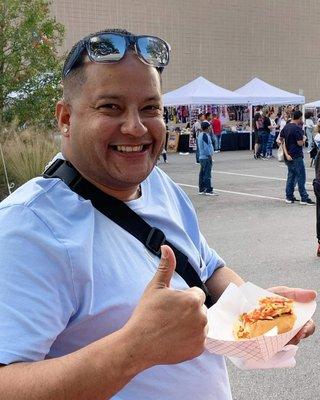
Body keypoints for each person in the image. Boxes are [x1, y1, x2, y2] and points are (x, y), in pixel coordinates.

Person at [0, 28, 316, 400]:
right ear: (66, 117)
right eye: (111, 107)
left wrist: (257, 312)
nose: (135, 127)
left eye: (150, 108)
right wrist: (135, 349)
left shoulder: (159, 184)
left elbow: (208, 269)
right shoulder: (26, 227)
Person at [280, 110, 315, 205]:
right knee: (301, 176)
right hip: (296, 155)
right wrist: (304, 139)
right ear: (299, 118)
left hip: (288, 155)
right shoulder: (297, 129)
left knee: (291, 176)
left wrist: (286, 154)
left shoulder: (286, 127)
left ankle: (289, 196)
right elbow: (300, 143)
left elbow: (281, 140)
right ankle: (304, 197)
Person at [197, 121, 217, 196]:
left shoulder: (200, 135)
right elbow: (206, 147)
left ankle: (201, 189)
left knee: (202, 173)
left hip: (202, 157)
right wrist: (210, 156)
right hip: (206, 157)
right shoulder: (205, 135)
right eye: (209, 126)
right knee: (207, 174)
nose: (210, 127)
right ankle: (208, 190)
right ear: (207, 127)